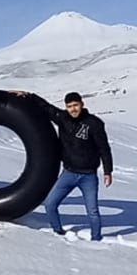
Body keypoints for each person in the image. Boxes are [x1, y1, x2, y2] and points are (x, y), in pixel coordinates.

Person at [14, 91, 113, 241]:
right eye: (69, 106)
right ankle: (58, 232)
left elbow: (104, 148)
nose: (73, 109)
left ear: (82, 104)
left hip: (89, 176)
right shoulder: (62, 118)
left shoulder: (94, 123)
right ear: (66, 107)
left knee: (92, 211)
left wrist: (107, 171)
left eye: (75, 105)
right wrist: (27, 95)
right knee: (50, 204)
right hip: (69, 173)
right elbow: (45, 107)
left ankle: (96, 239)